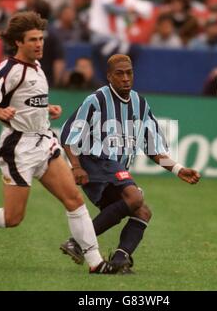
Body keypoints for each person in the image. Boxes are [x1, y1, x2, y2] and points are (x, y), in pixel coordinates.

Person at [0, 12, 119, 274]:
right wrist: (0, 112)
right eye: (33, 40)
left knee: (74, 200)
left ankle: (96, 263)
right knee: (12, 218)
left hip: (44, 143)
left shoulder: (37, 67)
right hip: (18, 149)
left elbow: (29, 102)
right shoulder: (8, 70)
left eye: (41, 39)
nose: (39, 44)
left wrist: (46, 109)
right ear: (18, 42)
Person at [59, 54, 201, 273]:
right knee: (135, 197)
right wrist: (76, 167)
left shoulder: (140, 104)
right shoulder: (96, 100)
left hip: (115, 170)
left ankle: (118, 259)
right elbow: (69, 136)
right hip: (96, 162)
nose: (126, 78)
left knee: (142, 212)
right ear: (109, 77)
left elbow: (153, 148)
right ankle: (78, 243)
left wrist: (178, 169)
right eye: (120, 73)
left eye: (129, 72)